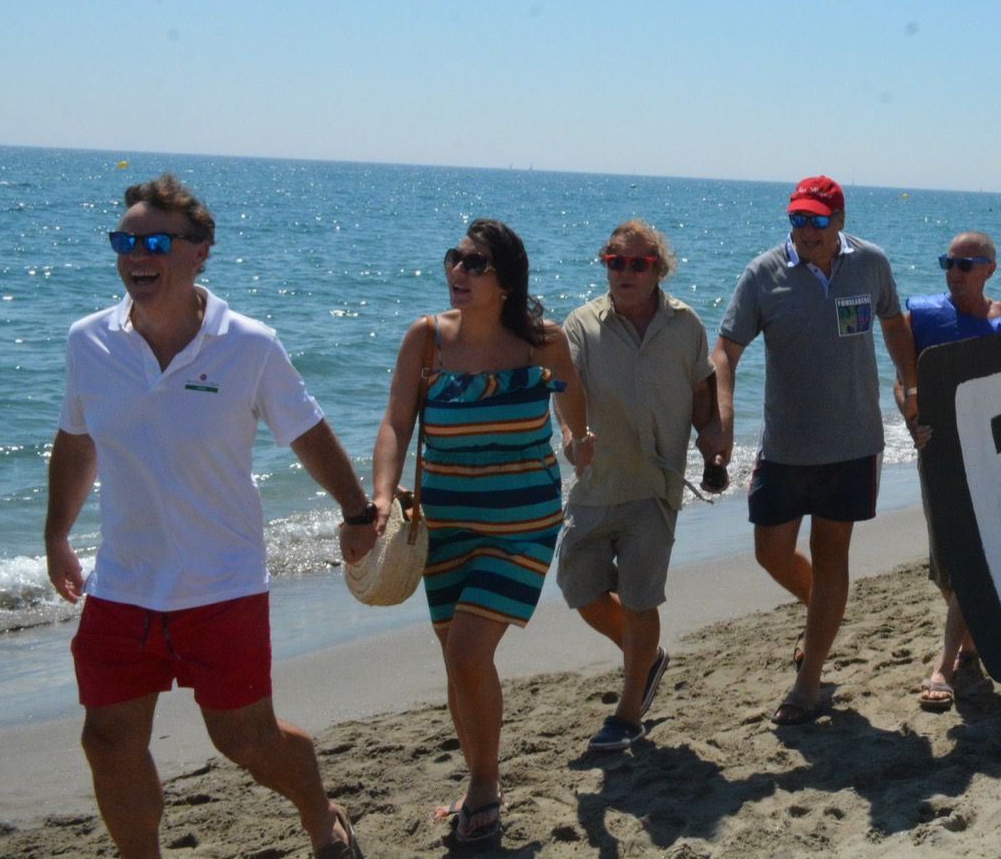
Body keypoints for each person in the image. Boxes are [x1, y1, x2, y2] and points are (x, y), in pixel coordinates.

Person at [46, 174, 369, 859]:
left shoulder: (247, 344)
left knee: (244, 740)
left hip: (221, 585)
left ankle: (319, 812)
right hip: (123, 586)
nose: (137, 253)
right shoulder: (88, 342)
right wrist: (56, 535)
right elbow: (77, 442)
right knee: (107, 739)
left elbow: (307, 431)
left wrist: (357, 512)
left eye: (155, 241)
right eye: (125, 241)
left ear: (201, 252)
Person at [369, 218, 593, 845]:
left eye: (475, 263)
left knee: (468, 654)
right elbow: (395, 424)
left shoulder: (541, 342)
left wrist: (577, 438)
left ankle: (485, 787)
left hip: (521, 522)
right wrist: (382, 497)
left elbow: (570, 403)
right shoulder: (428, 340)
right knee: (457, 661)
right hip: (444, 525)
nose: (458, 273)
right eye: (454, 259)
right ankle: (478, 776)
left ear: (506, 280)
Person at [713, 176, 917, 725]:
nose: (806, 231)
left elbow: (896, 324)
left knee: (833, 557)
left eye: (817, 221)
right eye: (798, 220)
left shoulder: (871, 264)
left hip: (853, 443)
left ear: (840, 220)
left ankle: (809, 681)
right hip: (785, 445)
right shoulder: (763, 274)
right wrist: (724, 414)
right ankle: (821, 616)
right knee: (771, 552)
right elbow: (726, 350)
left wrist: (912, 386)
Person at [557, 220, 721, 751]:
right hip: (595, 482)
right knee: (579, 587)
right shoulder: (580, 325)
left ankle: (628, 714)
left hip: (655, 485)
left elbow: (704, 383)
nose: (624, 272)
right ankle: (645, 658)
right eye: (615, 261)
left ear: (658, 269)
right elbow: (567, 392)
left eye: (638, 263)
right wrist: (572, 438)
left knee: (639, 596)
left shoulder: (685, 324)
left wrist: (713, 438)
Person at [897, 231, 1001, 709]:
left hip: (989, 454)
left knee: (972, 553)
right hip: (939, 452)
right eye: (948, 261)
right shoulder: (921, 315)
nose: (954, 272)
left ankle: (943, 665)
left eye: (965, 264)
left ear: (989, 268)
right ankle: (968, 641)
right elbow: (904, 381)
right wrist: (911, 420)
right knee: (946, 559)